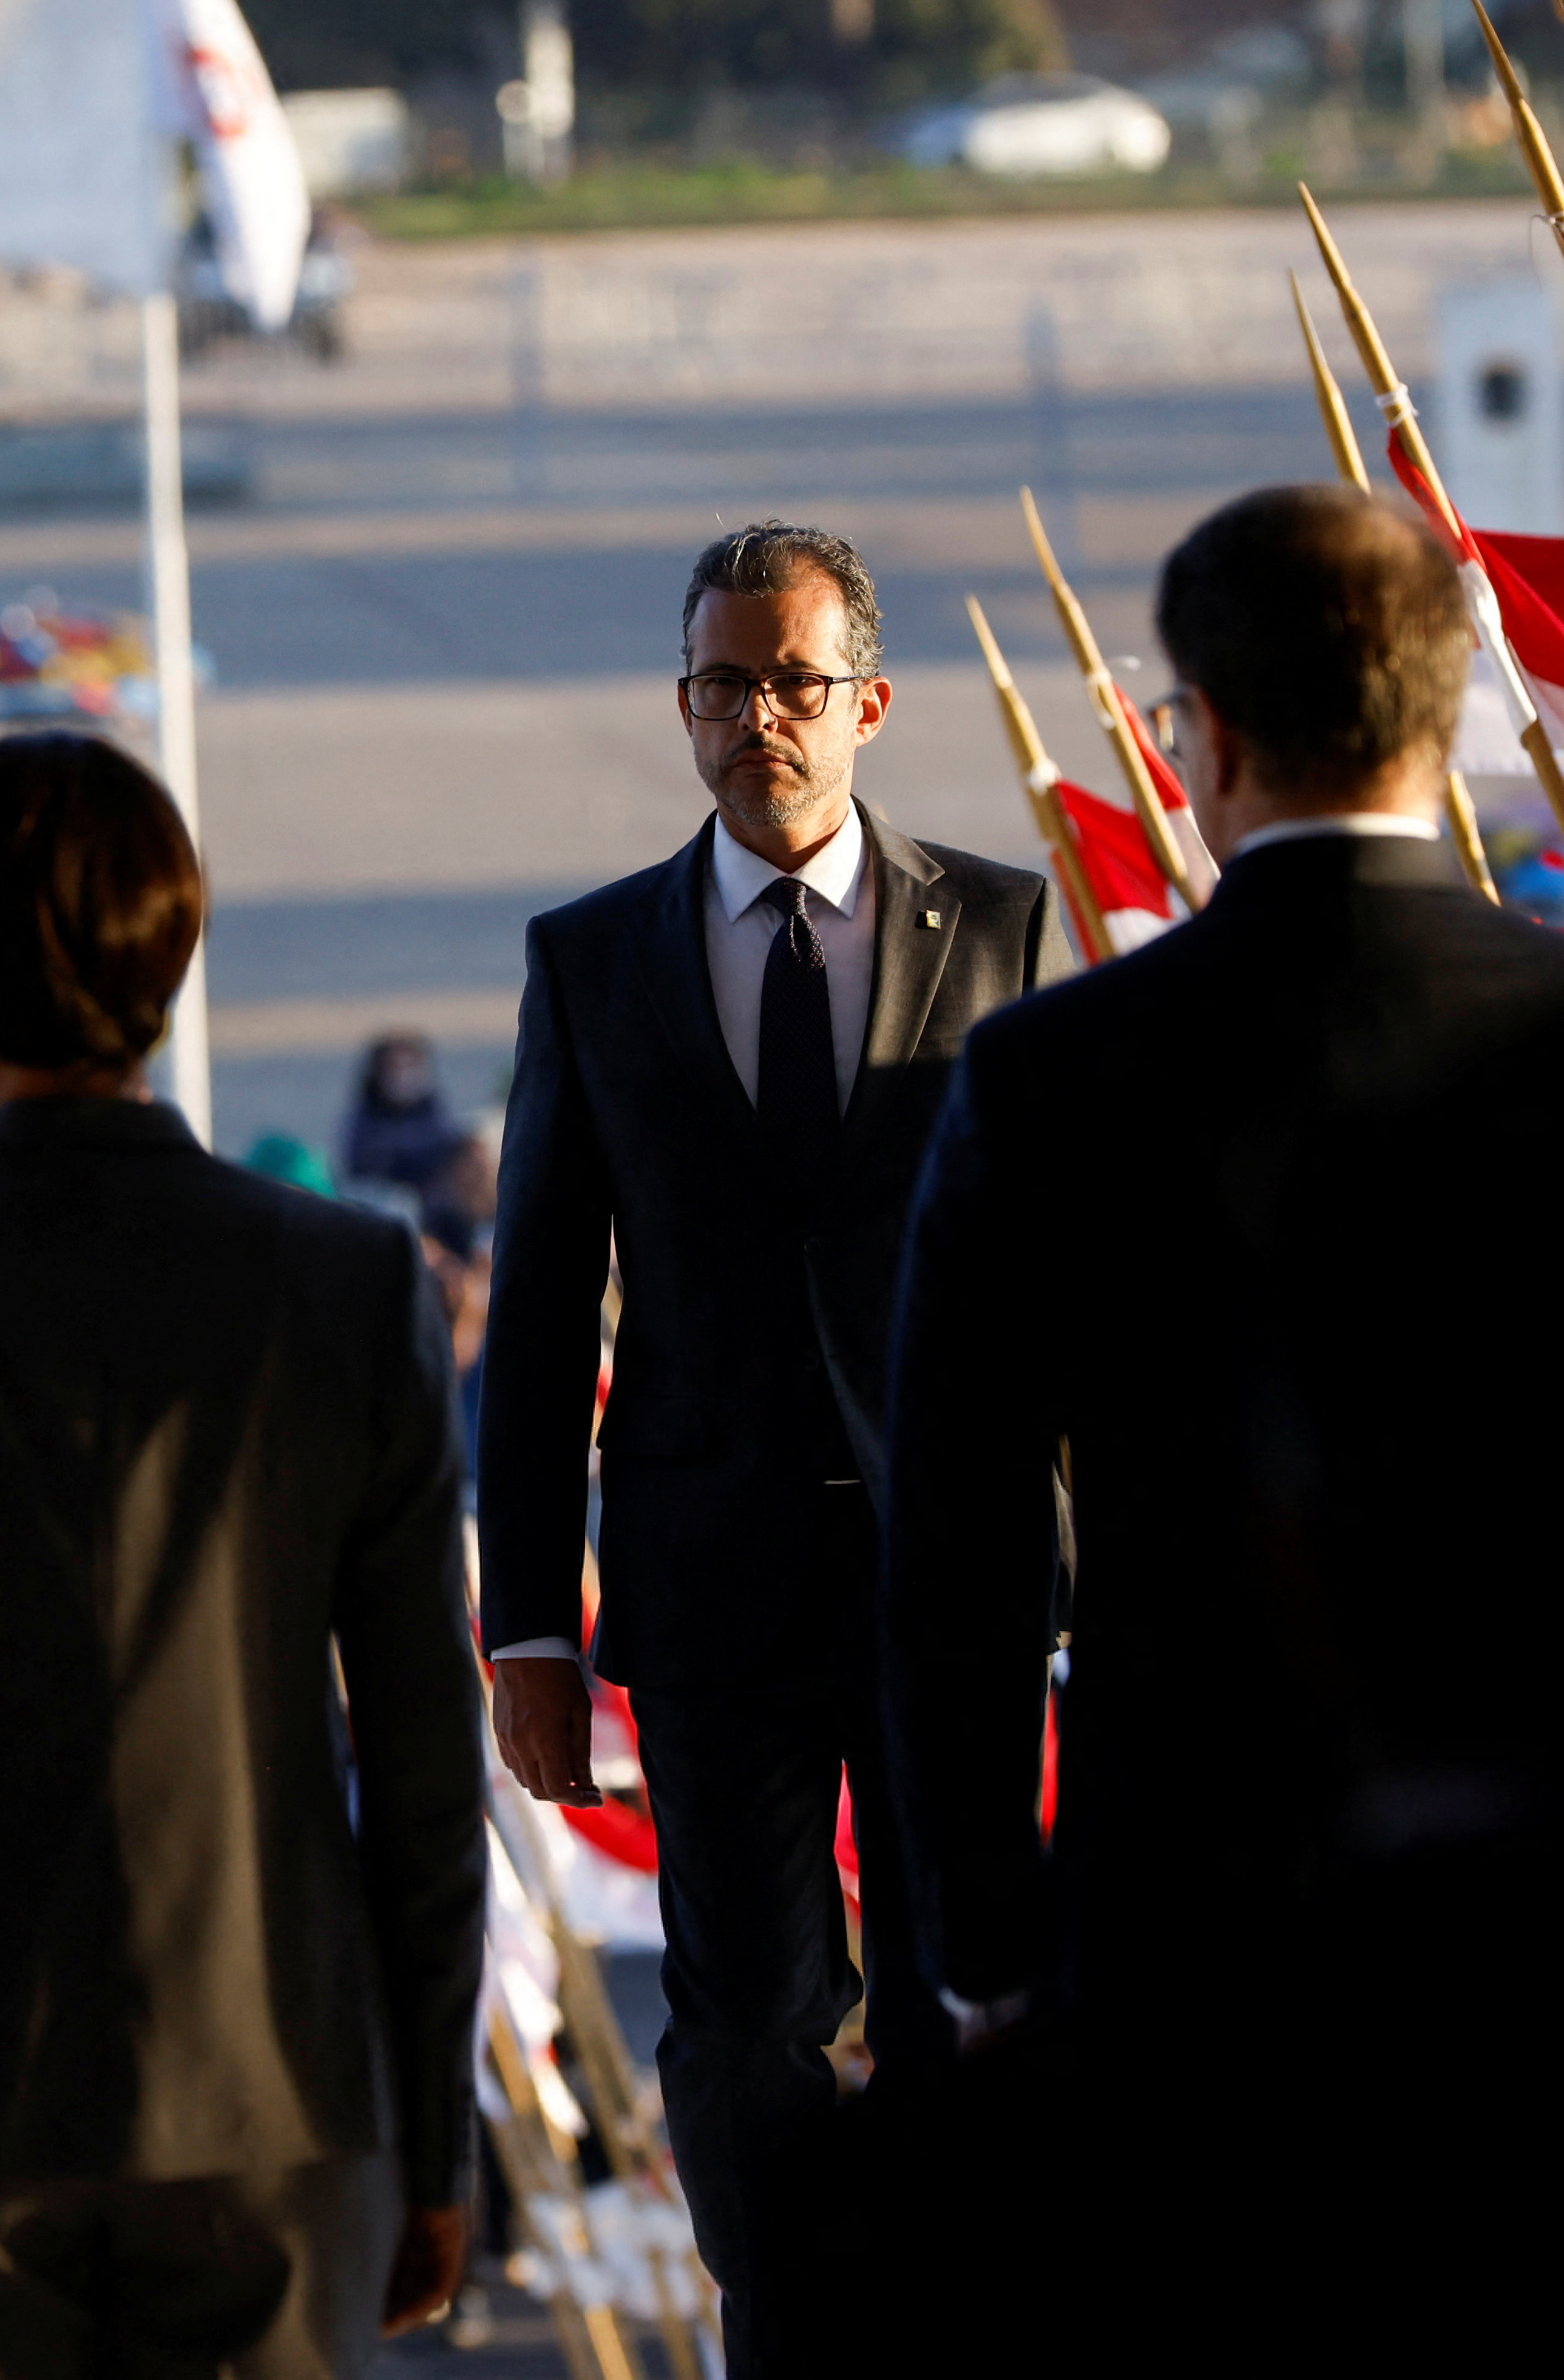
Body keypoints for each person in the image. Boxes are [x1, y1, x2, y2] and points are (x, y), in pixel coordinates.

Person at [882, 486, 1564, 2365]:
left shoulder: (1051, 1078)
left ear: (1206, 737)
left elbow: (953, 1547)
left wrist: (990, 1949)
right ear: (1440, 717)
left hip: (1187, 1945)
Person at [0, 733, 481, 2376]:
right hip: (272, 2091)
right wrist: (433, 2132)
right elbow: (423, 1762)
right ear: (178, 949)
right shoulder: (350, 1285)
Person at [469, 522, 1048, 2372]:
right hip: (708, 1583)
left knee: (979, 1979)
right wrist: (526, 1629)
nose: (756, 719)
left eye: (793, 682)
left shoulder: (1003, 927)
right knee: (747, 2021)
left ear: (865, 699)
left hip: (944, 1573)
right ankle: (785, 2331)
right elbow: (539, 1308)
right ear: (681, 704)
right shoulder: (588, 958)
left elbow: (1059, 1278)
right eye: (721, 684)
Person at [335, 1029, 459, 1199]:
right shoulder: (364, 1118)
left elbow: (446, 1159)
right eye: (394, 1067)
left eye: (410, 1066)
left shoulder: (434, 1114)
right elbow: (360, 1165)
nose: (402, 1075)